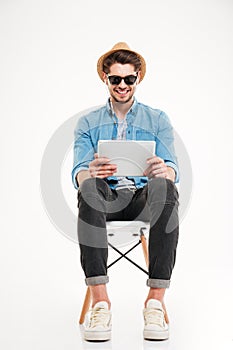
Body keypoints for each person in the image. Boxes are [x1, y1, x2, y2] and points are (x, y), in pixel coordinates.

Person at [72, 42, 179, 342]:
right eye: (115, 79)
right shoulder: (88, 123)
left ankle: (155, 303)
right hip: (105, 199)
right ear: (105, 78)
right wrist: (88, 173)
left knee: (165, 185)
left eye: (128, 79)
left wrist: (164, 171)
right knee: (90, 187)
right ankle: (101, 303)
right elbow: (78, 170)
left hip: (145, 199)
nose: (122, 85)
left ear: (138, 78)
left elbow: (173, 168)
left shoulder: (157, 120)